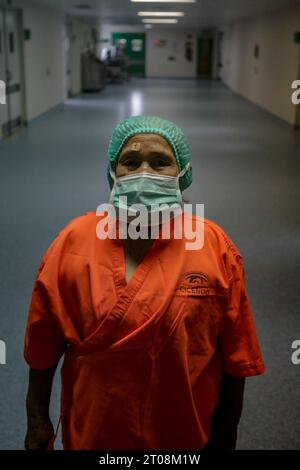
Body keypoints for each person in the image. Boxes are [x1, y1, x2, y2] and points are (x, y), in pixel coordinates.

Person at [24, 115, 265, 450]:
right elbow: (42, 345)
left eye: (161, 163)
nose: (144, 173)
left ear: (183, 174)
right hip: (97, 432)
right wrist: (37, 421)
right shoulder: (74, 242)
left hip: (184, 436)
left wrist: (226, 432)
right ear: (112, 171)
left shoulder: (212, 247)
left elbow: (235, 356)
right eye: (130, 162)